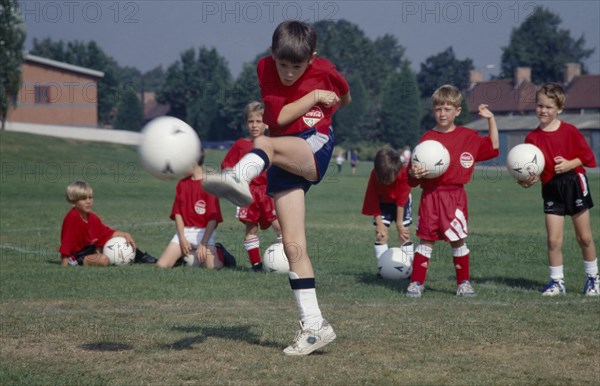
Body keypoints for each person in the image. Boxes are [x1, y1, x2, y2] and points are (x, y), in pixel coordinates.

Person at [203, 20, 351, 355]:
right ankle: (315, 326)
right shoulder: (264, 68)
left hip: (314, 144)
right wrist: (314, 95)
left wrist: (330, 102)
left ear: (311, 59)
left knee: (263, 143)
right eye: (282, 64)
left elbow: (345, 95)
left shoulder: (325, 68)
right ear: (272, 55)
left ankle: (239, 175)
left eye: (296, 67)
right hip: (286, 149)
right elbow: (280, 117)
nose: (287, 72)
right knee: (293, 246)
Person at [406, 84, 499, 298]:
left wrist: (490, 119)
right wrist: (415, 173)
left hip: (455, 196)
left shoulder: (468, 136)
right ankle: (417, 283)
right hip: (431, 196)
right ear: (433, 111)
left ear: (457, 111)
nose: (442, 113)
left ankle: (463, 283)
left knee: (457, 239)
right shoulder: (427, 139)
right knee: (426, 239)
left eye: (447, 109)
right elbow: (410, 177)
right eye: (438, 109)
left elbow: (494, 147)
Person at [518, 83, 598, 296]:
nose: (543, 110)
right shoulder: (531, 139)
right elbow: (533, 171)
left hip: (574, 183)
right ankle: (556, 282)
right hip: (551, 187)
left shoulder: (570, 131)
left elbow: (588, 158)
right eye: (540, 105)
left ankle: (593, 279)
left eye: (549, 107)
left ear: (559, 109)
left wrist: (570, 164)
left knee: (585, 237)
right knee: (553, 239)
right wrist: (526, 181)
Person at [221, 101, 282, 272]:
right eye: (250, 121)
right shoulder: (241, 144)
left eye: (258, 121)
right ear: (246, 123)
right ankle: (256, 264)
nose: (254, 125)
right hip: (248, 194)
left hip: (268, 192)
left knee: (280, 226)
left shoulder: (272, 143)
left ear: (266, 123)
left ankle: (284, 259)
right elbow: (226, 166)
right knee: (251, 227)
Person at [155, 151, 235, 269]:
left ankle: (219, 251)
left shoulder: (210, 184)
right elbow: (178, 214)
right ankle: (182, 256)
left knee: (214, 267)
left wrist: (204, 243)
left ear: (193, 162)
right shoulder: (182, 184)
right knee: (161, 265)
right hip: (185, 232)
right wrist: (182, 238)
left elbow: (213, 219)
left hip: (204, 233)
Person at [59, 180, 157, 266]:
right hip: (77, 256)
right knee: (104, 260)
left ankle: (141, 257)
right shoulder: (72, 217)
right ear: (73, 202)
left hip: (90, 250)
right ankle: (76, 263)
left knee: (121, 239)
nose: (89, 201)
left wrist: (124, 234)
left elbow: (105, 233)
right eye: (84, 199)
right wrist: (65, 262)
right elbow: (67, 242)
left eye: (90, 197)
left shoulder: (92, 217)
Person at [361, 148, 413, 265]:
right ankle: (382, 266)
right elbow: (372, 198)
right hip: (383, 203)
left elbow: (401, 200)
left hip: (401, 203)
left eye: (390, 178)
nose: (387, 181)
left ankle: (409, 267)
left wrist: (399, 224)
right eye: (384, 178)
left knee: (403, 235)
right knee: (381, 235)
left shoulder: (403, 173)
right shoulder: (374, 175)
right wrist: (379, 223)